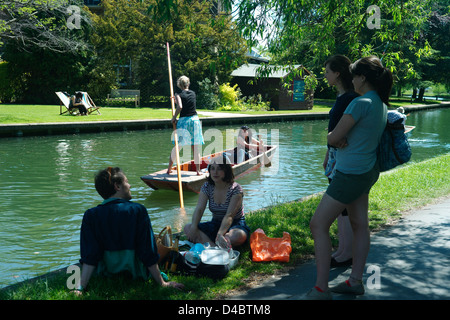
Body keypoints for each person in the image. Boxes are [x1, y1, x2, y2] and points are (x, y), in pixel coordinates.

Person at [307, 56, 391, 299]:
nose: (351, 79)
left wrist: (333, 136)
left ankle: (321, 289)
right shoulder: (380, 104)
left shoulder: (360, 103)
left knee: (318, 224)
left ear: (362, 78)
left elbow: (333, 138)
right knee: (359, 224)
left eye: (354, 75)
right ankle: (355, 281)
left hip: (350, 174)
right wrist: (339, 136)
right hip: (367, 171)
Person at [74, 167, 184, 294]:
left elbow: (90, 254)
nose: (130, 185)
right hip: (136, 272)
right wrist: (162, 283)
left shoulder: (90, 215)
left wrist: (80, 287)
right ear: (117, 186)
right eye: (126, 181)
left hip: (105, 273)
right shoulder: (138, 210)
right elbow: (147, 250)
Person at [323, 55, 359, 268]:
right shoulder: (342, 97)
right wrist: (328, 155)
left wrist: (334, 150)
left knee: (342, 205)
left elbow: (346, 132)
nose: (325, 75)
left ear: (337, 73)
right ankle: (343, 249)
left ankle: (346, 252)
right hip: (334, 156)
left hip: (342, 157)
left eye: (327, 71)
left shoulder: (350, 98)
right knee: (341, 207)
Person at [184, 155, 250, 249]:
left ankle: (213, 242)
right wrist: (194, 227)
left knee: (239, 235)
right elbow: (199, 209)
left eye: (219, 169)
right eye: (213, 169)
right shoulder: (207, 187)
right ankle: (214, 247)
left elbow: (229, 216)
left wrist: (220, 234)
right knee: (188, 227)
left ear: (226, 170)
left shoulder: (236, 189)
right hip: (215, 223)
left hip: (235, 224)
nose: (215, 172)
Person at [167, 76, 204, 175]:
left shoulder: (178, 94)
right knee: (195, 147)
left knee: (178, 146)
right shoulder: (193, 93)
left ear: (179, 84)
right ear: (188, 83)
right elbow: (187, 101)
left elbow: (180, 106)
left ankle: (169, 169)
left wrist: (174, 117)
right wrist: (175, 99)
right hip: (195, 120)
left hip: (184, 121)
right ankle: (198, 171)